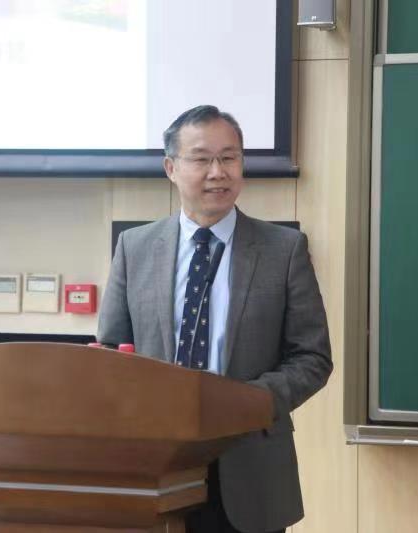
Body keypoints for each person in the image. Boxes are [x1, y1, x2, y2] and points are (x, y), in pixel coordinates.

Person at [97, 105, 332, 533]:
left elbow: (312, 358)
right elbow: (113, 350)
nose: (218, 172)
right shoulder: (135, 247)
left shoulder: (284, 250)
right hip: (155, 467)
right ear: (171, 168)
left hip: (250, 465)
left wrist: (244, 402)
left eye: (229, 158)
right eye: (202, 159)